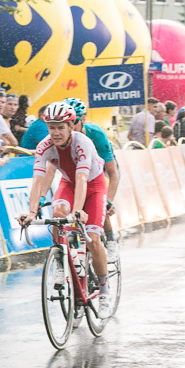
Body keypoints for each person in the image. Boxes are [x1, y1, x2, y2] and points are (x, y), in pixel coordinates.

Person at [18, 102, 111, 317]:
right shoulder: (44, 146)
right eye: (52, 127)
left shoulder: (83, 143)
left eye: (61, 127)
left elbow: (82, 178)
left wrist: (77, 210)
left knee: (93, 239)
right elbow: (38, 180)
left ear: (71, 126)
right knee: (58, 213)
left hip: (94, 186)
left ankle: (105, 291)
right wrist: (31, 211)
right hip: (68, 183)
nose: (56, 133)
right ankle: (62, 260)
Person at [64, 98, 120, 261]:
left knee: (102, 205)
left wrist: (109, 201)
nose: (70, 126)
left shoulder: (96, 135)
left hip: (101, 169)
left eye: (74, 121)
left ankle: (111, 240)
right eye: (66, 122)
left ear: (83, 119)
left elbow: (113, 173)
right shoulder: (61, 135)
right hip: (79, 170)